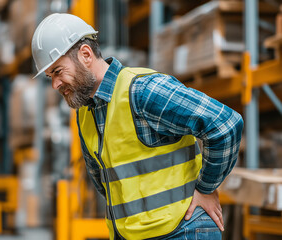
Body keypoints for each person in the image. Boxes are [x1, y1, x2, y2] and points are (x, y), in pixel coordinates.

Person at [31, 13, 243, 240]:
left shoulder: (142, 91)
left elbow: (225, 123)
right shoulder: (85, 114)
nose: (55, 84)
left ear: (85, 54)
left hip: (183, 230)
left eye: (58, 71)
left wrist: (206, 188)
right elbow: (106, 183)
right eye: (49, 76)